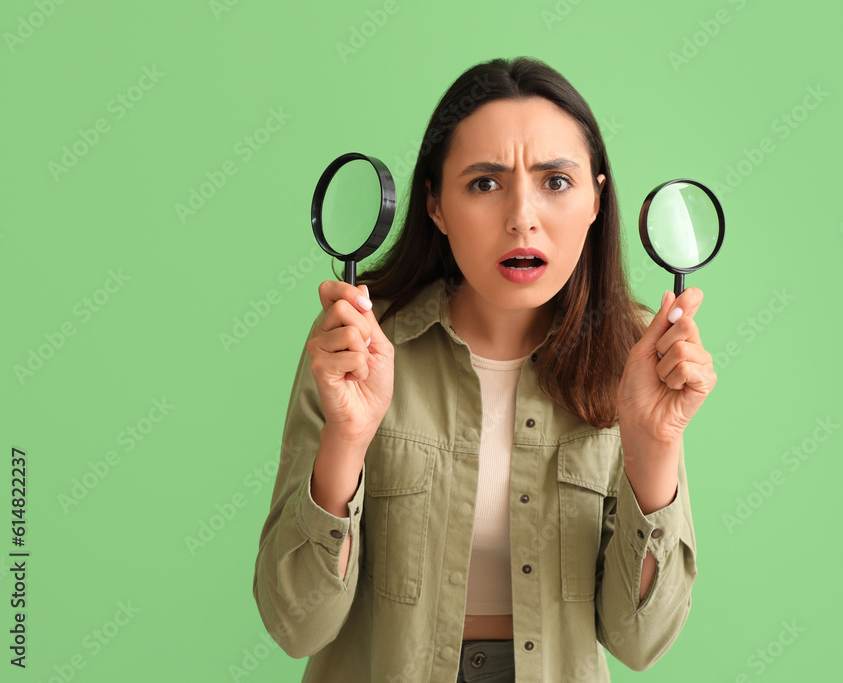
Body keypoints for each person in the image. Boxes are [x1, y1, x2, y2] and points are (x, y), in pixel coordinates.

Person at [253, 56, 716, 683]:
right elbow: (294, 624)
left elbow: (642, 642)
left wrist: (655, 445)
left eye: (556, 182)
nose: (522, 216)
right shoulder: (355, 346)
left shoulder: (636, 359)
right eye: (484, 183)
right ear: (436, 207)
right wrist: (346, 438)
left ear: (596, 204)